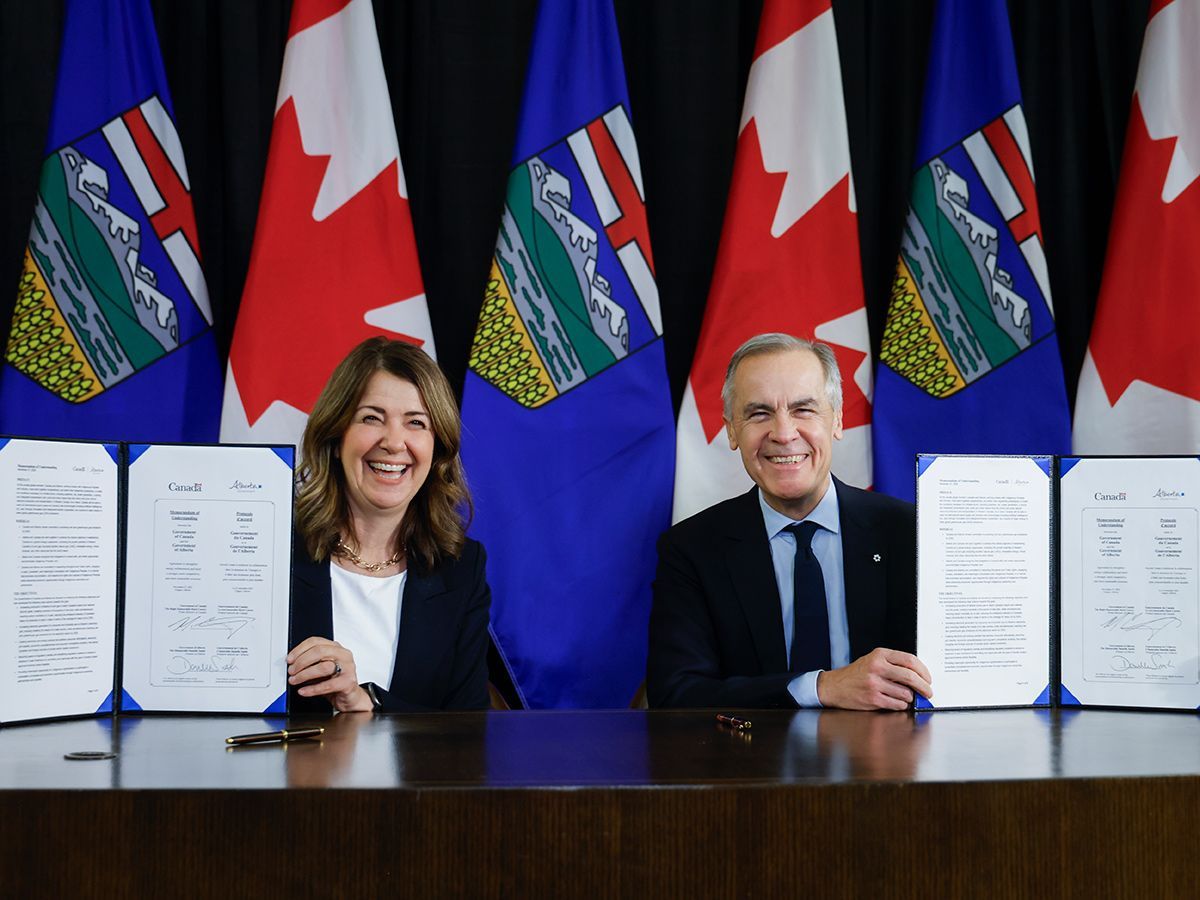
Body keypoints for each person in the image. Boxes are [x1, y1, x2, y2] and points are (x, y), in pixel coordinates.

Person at [647, 333, 932, 710]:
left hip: (892, 762)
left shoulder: (912, 534)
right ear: (732, 429)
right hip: (751, 764)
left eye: (803, 409)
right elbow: (675, 695)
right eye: (759, 413)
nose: (783, 434)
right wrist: (820, 688)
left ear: (838, 419)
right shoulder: (691, 550)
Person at [287, 337, 491, 712]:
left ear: (437, 448)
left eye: (416, 423)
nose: (394, 442)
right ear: (336, 436)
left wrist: (365, 703)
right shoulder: (273, 553)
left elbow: (467, 736)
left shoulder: (461, 569)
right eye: (371, 418)